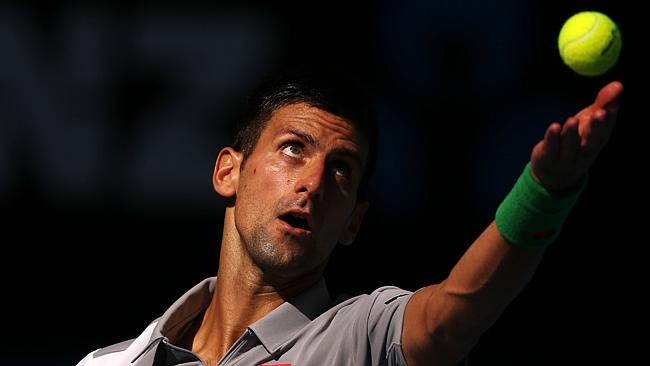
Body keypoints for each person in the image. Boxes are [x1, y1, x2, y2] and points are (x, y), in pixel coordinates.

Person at [76, 68, 623, 366]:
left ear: (354, 222)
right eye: (294, 148)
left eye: (340, 170)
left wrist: (544, 191)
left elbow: (461, 307)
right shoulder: (110, 364)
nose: (313, 182)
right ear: (229, 173)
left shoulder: (363, 335)